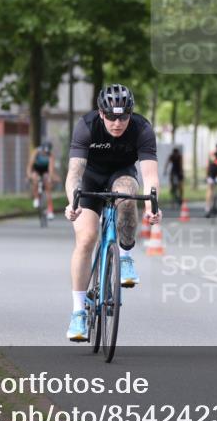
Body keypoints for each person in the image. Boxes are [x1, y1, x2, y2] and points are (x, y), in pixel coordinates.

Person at [63, 84, 161, 341]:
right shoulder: (87, 126)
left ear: (131, 114)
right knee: (85, 239)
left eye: (123, 117)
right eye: (111, 117)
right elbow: (74, 173)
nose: (117, 123)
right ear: (101, 113)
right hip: (91, 179)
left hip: (121, 175)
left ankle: (126, 256)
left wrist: (152, 207)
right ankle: (78, 313)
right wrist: (72, 203)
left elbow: (150, 176)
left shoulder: (142, 129)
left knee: (128, 194)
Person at [28, 141, 59, 219]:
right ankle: (36, 198)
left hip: (45, 170)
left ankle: (50, 210)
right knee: (35, 178)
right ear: (41, 149)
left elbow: (51, 170)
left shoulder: (50, 155)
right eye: (44, 151)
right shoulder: (36, 152)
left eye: (47, 152)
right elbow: (29, 166)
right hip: (36, 169)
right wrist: (29, 175)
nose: (45, 153)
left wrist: (50, 178)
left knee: (48, 186)